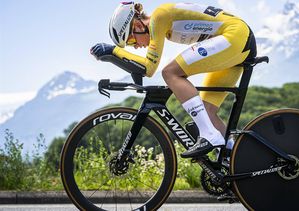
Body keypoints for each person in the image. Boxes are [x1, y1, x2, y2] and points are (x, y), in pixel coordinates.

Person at [91, 2, 257, 158]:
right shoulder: (161, 24)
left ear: (137, 25)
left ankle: (209, 135)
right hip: (236, 40)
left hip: (234, 36)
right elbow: (142, 69)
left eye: (131, 40)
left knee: (170, 73)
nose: (135, 46)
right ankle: (236, 157)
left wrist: (114, 51)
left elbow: (149, 68)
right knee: (206, 112)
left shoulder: (159, 17)